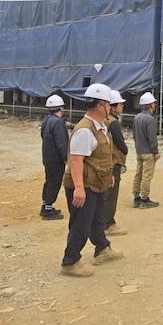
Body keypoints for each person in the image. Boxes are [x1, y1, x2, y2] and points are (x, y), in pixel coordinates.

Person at [61, 83, 123, 277]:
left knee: (98, 219)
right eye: (109, 104)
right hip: (84, 185)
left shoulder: (101, 126)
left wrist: (108, 177)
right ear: (100, 105)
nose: (111, 108)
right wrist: (79, 188)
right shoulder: (85, 130)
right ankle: (70, 262)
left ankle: (102, 249)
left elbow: (101, 156)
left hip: (96, 183)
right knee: (81, 224)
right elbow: (76, 160)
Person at [103, 90, 128, 236]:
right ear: (112, 106)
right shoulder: (113, 123)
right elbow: (121, 144)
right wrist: (125, 150)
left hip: (105, 162)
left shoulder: (103, 120)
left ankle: (101, 222)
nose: (122, 106)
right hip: (113, 163)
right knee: (111, 194)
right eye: (120, 104)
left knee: (104, 193)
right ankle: (108, 224)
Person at [40, 94, 69, 220]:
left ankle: (45, 206)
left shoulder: (47, 120)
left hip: (47, 156)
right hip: (56, 159)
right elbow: (61, 142)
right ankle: (48, 211)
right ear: (61, 108)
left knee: (49, 181)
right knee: (54, 183)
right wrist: (66, 158)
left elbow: (43, 135)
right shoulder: (58, 122)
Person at [133, 92, 160, 209]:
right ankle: (144, 200)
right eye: (154, 103)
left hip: (139, 151)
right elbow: (152, 138)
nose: (155, 105)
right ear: (150, 105)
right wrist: (156, 152)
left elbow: (134, 135)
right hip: (148, 152)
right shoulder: (150, 119)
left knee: (138, 174)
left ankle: (136, 198)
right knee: (147, 176)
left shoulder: (137, 117)